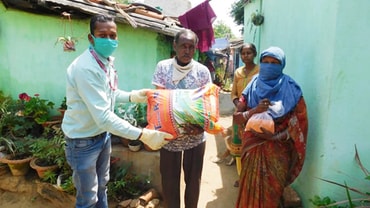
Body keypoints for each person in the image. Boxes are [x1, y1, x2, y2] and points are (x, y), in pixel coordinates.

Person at [61, 14, 173, 208]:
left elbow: (109, 93)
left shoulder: (104, 61)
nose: (109, 40)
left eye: (113, 35)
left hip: (101, 136)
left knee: (102, 186)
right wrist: (143, 135)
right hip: (82, 141)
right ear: (91, 38)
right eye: (102, 35)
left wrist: (132, 95)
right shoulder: (85, 68)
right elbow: (103, 117)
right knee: (87, 198)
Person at [233, 46, 308, 207]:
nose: (269, 66)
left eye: (274, 63)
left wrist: (274, 137)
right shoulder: (252, 85)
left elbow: (299, 125)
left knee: (272, 193)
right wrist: (254, 111)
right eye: (265, 62)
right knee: (249, 187)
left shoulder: (292, 89)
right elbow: (236, 118)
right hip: (252, 146)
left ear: (282, 65)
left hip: (279, 150)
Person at [151, 29, 212, 208]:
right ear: (175, 46)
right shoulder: (163, 67)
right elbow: (159, 100)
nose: (187, 50)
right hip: (169, 137)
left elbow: (208, 103)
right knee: (169, 181)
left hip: (196, 136)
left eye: (191, 47)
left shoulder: (202, 72)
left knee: (194, 181)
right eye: (183, 46)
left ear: (195, 49)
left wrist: (201, 126)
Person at [229, 43, 259, 187]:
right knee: (239, 147)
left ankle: (253, 178)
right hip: (240, 115)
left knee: (253, 147)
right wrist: (239, 106)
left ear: (255, 54)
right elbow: (233, 93)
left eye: (249, 53)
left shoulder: (260, 71)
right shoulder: (238, 73)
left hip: (256, 114)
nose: (246, 56)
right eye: (243, 53)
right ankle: (241, 177)